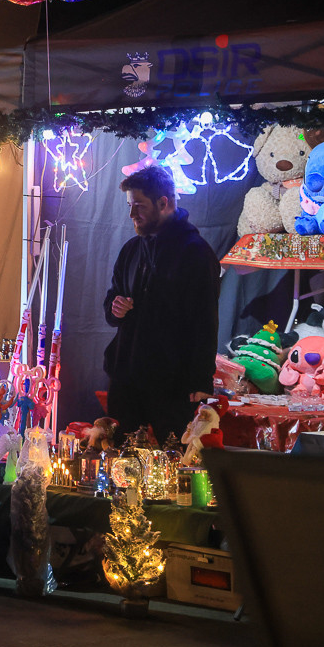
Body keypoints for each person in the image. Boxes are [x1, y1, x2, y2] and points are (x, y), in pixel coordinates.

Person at [103, 165, 220, 444]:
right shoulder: (131, 249)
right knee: (122, 466)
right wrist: (114, 308)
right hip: (127, 381)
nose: (132, 214)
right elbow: (112, 300)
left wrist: (201, 381)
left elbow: (205, 322)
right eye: (130, 206)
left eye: (139, 206)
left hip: (172, 386)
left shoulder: (195, 253)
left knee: (174, 469)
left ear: (164, 203)